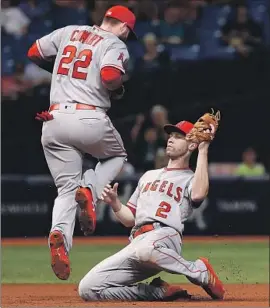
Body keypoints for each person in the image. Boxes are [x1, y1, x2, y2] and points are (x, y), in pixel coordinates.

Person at [27, 5, 137, 280]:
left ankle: (59, 236)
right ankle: (90, 187)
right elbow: (110, 76)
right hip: (88, 116)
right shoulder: (115, 43)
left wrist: (63, 73)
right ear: (124, 27)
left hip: (53, 120)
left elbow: (34, 52)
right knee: (116, 156)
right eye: (128, 32)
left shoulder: (69, 31)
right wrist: (118, 87)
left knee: (65, 189)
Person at [78, 120, 225, 301]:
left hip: (165, 235)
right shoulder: (148, 176)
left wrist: (203, 150)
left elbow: (198, 195)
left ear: (192, 145)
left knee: (146, 250)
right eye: (170, 136)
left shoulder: (189, 178)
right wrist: (115, 204)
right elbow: (130, 219)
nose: (171, 140)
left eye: (178, 137)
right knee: (88, 288)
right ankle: (158, 292)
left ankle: (199, 271)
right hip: (138, 241)